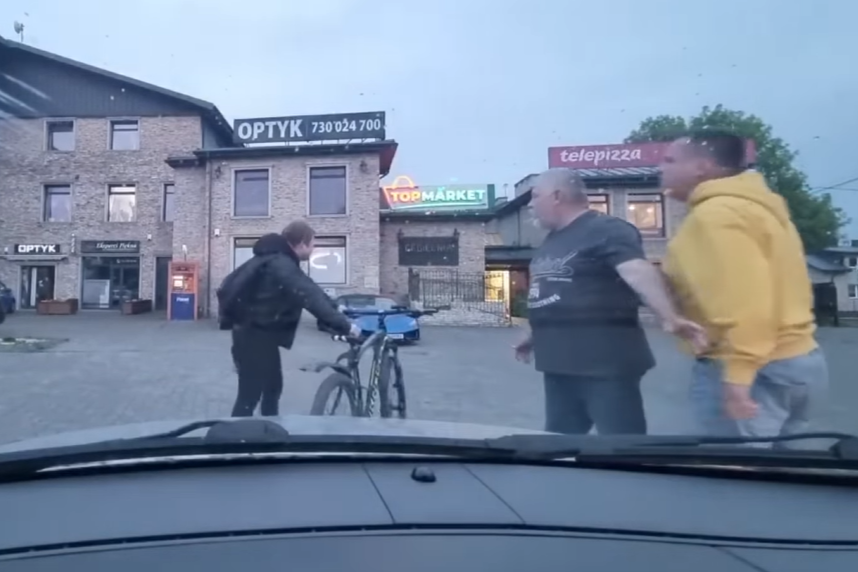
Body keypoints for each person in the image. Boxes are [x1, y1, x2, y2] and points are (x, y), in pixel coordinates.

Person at [659, 131, 828, 440]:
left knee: (735, 467)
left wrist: (738, 377)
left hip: (752, 373)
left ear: (702, 167)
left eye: (669, 160)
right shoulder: (762, 209)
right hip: (801, 361)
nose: (661, 168)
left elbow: (744, 301)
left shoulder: (715, 216)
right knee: (791, 465)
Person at [514, 168, 706, 435]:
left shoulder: (605, 229)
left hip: (603, 362)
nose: (530, 205)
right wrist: (533, 334)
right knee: (559, 442)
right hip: (558, 364)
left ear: (557, 196)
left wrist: (670, 317)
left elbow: (637, 270)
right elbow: (548, 292)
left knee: (621, 443)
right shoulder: (553, 240)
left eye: (535, 196)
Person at [219, 220, 361, 417]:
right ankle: (237, 435)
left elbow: (310, 287)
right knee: (249, 395)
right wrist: (346, 326)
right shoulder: (280, 264)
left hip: (257, 336)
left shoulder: (277, 260)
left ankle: (269, 426)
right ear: (301, 243)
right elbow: (308, 296)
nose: (314, 249)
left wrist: (335, 306)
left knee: (272, 388)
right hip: (254, 337)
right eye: (312, 244)